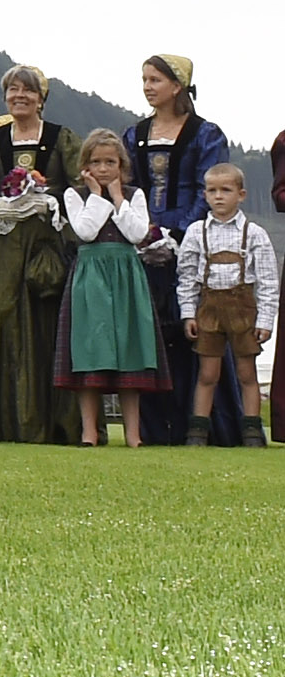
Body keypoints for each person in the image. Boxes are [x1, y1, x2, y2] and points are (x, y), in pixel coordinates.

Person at [126, 56, 236, 446]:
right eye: (144, 79)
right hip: (144, 242)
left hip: (191, 243)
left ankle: (206, 423)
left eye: (155, 79)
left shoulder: (206, 134)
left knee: (196, 329)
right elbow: (130, 185)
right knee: (149, 331)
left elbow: (212, 187)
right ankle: (154, 426)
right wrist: (141, 230)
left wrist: (177, 233)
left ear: (177, 86)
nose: (147, 86)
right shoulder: (135, 133)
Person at [0, 65, 76, 444]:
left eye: (27, 91)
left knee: (43, 327)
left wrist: (52, 203)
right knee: (0, 325)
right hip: (2, 244)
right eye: (12, 90)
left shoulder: (62, 139)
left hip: (44, 245)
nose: (19, 97)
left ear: (41, 98)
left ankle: (48, 423)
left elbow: (79, 185)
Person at [57, 131, 166, 448]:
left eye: (110, 162)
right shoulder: (75, 195)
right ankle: (89, 432)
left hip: (125, 276)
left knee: (129, 350)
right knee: (90, 351)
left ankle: (134, 434)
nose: (103, 169)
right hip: (90, 276)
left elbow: (136, 234)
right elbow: (85, 231)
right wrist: (97, 196)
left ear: (122, 165)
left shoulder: (134, 196)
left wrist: (118, 198)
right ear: (85, 166)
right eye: (96, 162)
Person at [177, 163, 273, 448]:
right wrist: (187, 313)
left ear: (241, 194)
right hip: (208, 309)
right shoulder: (196, 232)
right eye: (212, 190)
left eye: (226, 190)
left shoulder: (254, 233)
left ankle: (253, 432)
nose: (218, 196)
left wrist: (266, 321)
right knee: (208, 374)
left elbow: (268, 282)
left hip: (243, 310)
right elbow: (186, 278)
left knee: (247, 372)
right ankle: (198, 432)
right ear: (204, 194)